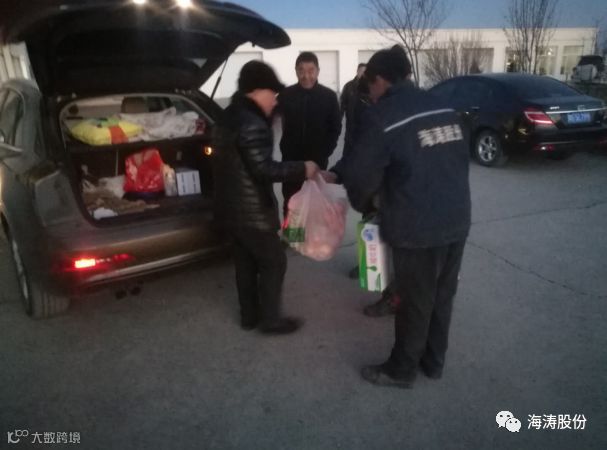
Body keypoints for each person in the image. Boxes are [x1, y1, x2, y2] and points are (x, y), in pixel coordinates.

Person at [339, 46, 471, 388]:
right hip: (457, 219)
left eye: (369, 88)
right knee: (441, 296)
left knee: (414, 300)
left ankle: (401, 370)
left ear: (380, 80)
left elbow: (361, 175)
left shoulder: (382, 116)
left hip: (417, 225)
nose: (370, 95)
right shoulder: (443, 106)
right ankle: (433, 362)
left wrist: (367, 203)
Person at [213, 60, 320, 335]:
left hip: (230, 207)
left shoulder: (228, 116)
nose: (275, 100)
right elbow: (264, 169)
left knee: (245, 262)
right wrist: (303, 168)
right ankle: (271, 320)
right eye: (272, 93)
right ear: (257, 90)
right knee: (274, 260)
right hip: (250, 210)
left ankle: (249, 316)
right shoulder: (252, 122)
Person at [279, 51, 341, 218]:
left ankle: (313, 233)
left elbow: (335, 127)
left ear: (318, 71)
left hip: (317, 162)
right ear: (296, 71)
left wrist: (325, 152)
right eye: (301, 70)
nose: (306, 76)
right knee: (291, 204)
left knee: (316, 204)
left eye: (311, 70)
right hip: (291, 162)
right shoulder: (286, 95)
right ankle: (292, 233)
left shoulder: (328, 97)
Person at [340, 62, 366, 155]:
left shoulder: (370, 87)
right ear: (357, 71)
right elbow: (342, 105)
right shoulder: (348, 86)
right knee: (348, 152)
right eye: (361, 71)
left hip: (365, 126)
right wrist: (338, 121)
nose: (363, 74)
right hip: (350, 126)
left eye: (365, 72)